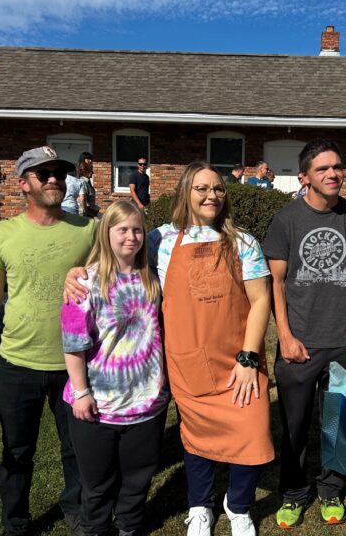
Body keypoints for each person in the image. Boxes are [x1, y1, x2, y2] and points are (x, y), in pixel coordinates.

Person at [66, 161, 273, 536]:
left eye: (218, 189)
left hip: (240, 358)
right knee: (196, 439)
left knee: (253, 432)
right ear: (185, 194)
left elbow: (261, 301)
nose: (212, 195)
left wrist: (249, 358)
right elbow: (116, 253)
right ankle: (200, 506)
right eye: (202, 189)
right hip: (187, 359)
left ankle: (238, 505)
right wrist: (77, 271)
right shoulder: (160, 239)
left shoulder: (244, 242)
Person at [0, 145, 95, 536]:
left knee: (75, 449)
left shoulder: (87, 230)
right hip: (16, 362)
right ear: (23, 183)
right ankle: (16, 522)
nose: (54, 178)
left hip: (73, 364)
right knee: (17, 451)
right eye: (44, 173)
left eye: (60, 172)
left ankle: (75, 509)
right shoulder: (4, 233)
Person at [263, 138, 346, 528]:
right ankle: (293, 493)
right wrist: (286, 337)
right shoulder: (286, 221)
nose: (333, 174)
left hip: (343, 341)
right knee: (293, 426)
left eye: (337, 167)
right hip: (300, 344)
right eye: (323, 168)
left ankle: (330, 490)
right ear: (305, 176)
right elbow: (275, 284)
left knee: (337, 423)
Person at [61, 201, 169, 536]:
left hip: (147, 404)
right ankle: (94, 529)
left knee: (137, 485)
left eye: (137, 229)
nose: (131, 237)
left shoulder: (153, 278)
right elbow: (72, 343)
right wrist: (81, 393)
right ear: (105, 233)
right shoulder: (85, 283)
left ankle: (130, 529)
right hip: (97, 406)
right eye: (122, 229)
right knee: (97, 487)